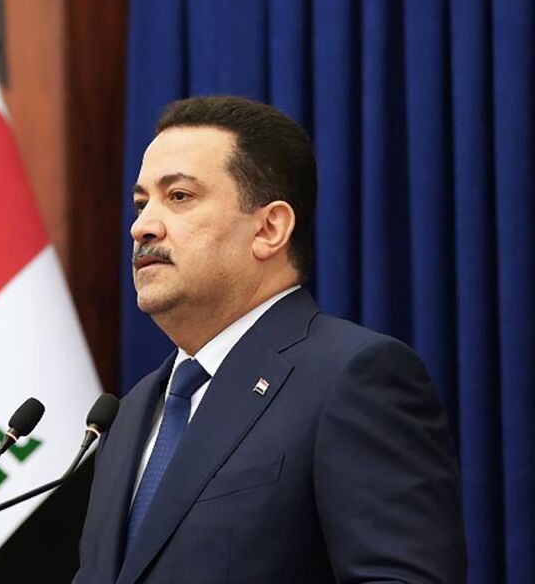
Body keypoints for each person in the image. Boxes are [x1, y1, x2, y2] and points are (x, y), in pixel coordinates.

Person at [74, 97, 466, 583]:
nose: (142, 226)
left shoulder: (353, 378)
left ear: (269, 228)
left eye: (178, 197)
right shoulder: (129, 415)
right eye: (140, 203)